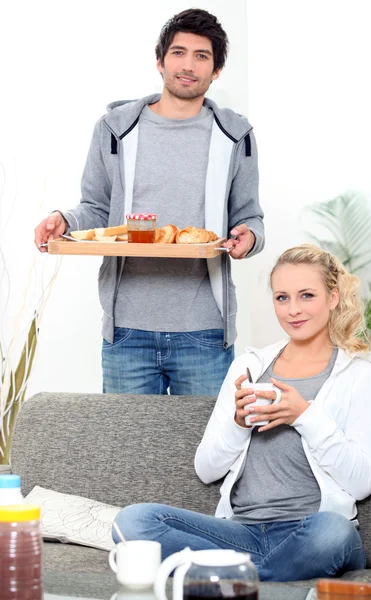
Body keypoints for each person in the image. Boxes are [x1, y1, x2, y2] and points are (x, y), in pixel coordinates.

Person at [112, 244, 371, 581]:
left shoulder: (358, 375)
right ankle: (260, 576)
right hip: (240, 533)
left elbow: (361, 483)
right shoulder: (249, 366)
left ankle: (225, 576)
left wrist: (305, 415)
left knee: (335, 533)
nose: (293, 310)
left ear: (332, 298)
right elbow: (206, 469)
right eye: (282, 297)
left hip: (311, 531)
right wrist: (238, 424)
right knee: (133, 521)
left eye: (307, 296)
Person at [33, 8, 264, 397]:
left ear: (217, 71)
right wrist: (65, 220)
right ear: (160, 60)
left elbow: (250, 216)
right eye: (178, 52)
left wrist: (249, 237)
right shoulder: (115, 128)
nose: (188, 65)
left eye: (202, 56)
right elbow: (96, 209)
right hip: (127, 332)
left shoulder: (236, 134)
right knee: (127, 456)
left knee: (206, 454)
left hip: (205, 332)